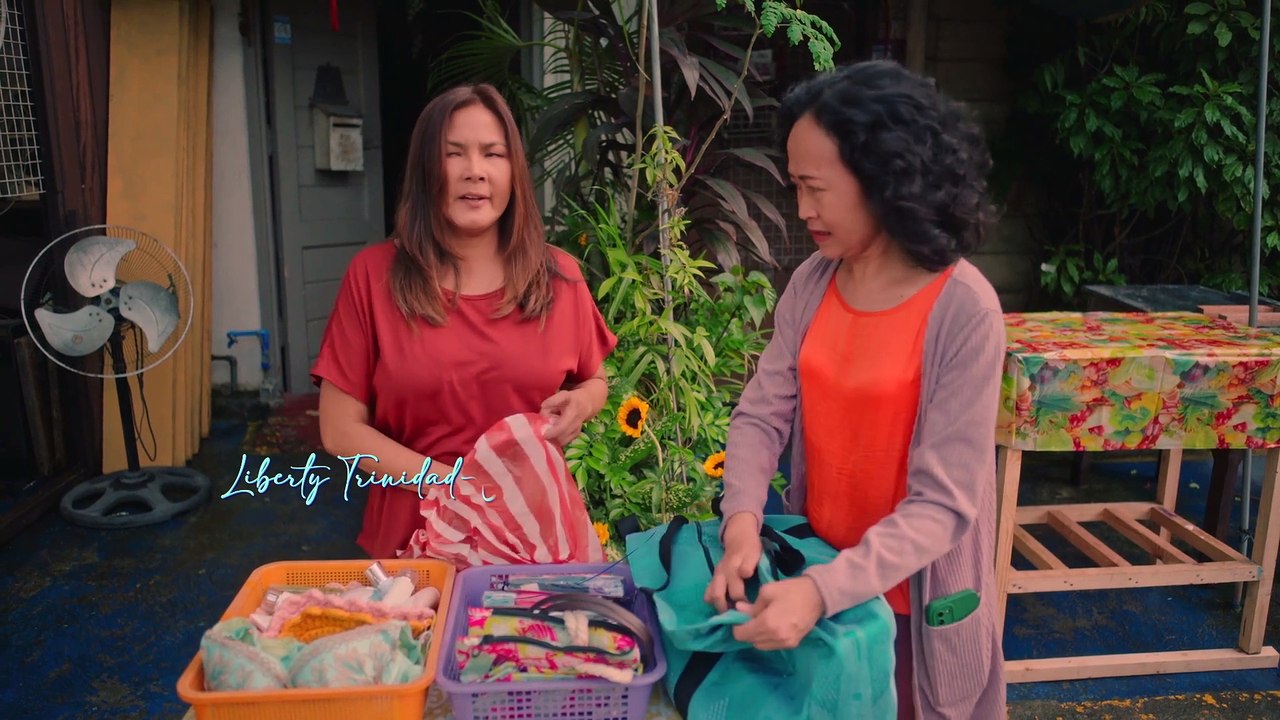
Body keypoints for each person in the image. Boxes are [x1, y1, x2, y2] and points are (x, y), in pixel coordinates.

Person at [706, 60, 1007, 719]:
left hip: (908, 613)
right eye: (795, 187)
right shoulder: (813, 282)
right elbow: (760, 416)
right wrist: (742, 524)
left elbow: (943, 505)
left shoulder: (964, 310)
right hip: (816, 584)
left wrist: (822, 591)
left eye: (816, 188)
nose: (802, 210)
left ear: (885, 178)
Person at [311, 84, 617, 560]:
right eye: (453, 153)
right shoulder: (373, 277)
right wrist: (455, 485)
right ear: (426, 170)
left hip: (532, 538)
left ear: (514, 171)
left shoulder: (559, 276)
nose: (475, 170)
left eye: (493, 154)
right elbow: (339, 430)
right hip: (412, 540)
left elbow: (594, 380)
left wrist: (582, 403)